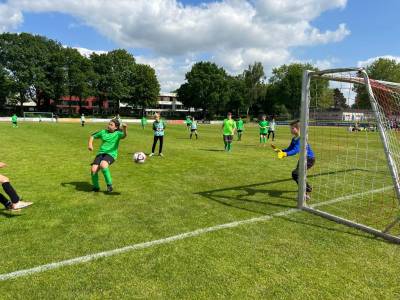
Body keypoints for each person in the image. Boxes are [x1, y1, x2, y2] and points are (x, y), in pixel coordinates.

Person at [271, 120, 315, 200]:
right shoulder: (294, 139)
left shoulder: (301, 138)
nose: (290, 130)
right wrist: (280, 150)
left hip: (309, 159)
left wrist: (285, 154)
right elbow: (289, 149)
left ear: (297, 129)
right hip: (302, 159)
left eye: (292, 128)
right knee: (297, 174)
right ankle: (306, 190)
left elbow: (295, 150)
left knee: (296, 174)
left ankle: (305, 192)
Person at [88, 119, 127, 192]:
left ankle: (109, 185)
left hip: (111, 154)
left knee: (103, 165)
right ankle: (96, 187)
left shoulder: (118, 134)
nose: (109, 126)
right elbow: (92, 136)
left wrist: (125, 128)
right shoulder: (103, 132)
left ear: (116, 127)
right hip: (101, 153)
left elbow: (124, 135)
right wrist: (90, 144)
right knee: (93, 170)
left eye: (111, 125)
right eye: (109, 124)